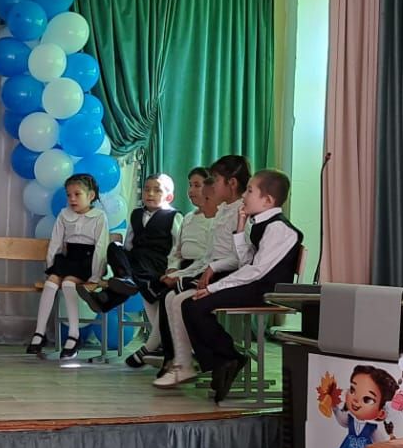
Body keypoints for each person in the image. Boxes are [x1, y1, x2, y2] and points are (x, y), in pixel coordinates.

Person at [180, 170, 304, 402]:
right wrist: (240, 228)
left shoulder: (278, 228)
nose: (244, 196)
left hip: (267, 291)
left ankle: (228, 359)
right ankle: (224, 361)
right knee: (190, 305)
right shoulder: (259, 223)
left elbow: (255, 270)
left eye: (249, 191)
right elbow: (245, 261)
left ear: (267, 200)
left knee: (195, 305)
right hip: (256, 285)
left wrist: (215, 288)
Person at [154, 155, 251, 389]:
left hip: (231, 276)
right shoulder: (224, 210)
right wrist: (181, 274)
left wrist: (208, 269)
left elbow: (241, 257)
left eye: (215, 179)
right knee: (170, 296)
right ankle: (181, 361)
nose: (212, 184)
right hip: (214, 271)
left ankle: (196, 362)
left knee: (180, 301)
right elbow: (209, 256)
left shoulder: (242, 213)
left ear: (232, 183)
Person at [79, 173, 181, 362]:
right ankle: (125, 279)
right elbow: (129, 242)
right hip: (135, 260)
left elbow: (177, 246)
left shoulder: (173, 216)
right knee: (114, 246)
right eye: (147, 189)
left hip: (157, 262)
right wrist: (121, 259)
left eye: (157, 190)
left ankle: (105, 299)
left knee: (140, 280)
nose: (150, 193)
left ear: (169, 196)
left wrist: (173, 268)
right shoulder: (136, 214)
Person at [27, 174, 108, 360]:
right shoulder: (64, 215)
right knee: (51, 282)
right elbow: (56, 242)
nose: (72, 199)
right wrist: (51, 267)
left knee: (68, 283)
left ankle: (74, 334)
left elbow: (101, 247)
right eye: (69, 195)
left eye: (77, 194)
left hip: (88, 261)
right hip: (69, 258)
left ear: (91, 196)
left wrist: (95, 276)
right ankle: (39, 332)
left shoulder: (99, 217)